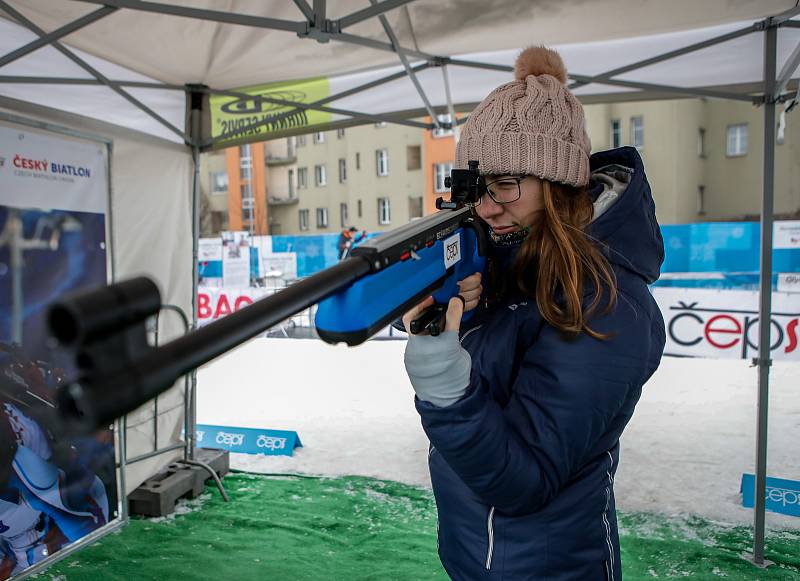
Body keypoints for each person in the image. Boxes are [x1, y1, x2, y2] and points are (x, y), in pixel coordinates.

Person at [402, 46, 666, 580]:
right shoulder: (507, 253)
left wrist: (440, 376)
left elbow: (524, 480)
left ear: (559, 186)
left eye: (506, 185)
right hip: (475, 552)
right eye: (477, 187)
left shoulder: (608, 303)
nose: (487, 207)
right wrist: (426, 294)